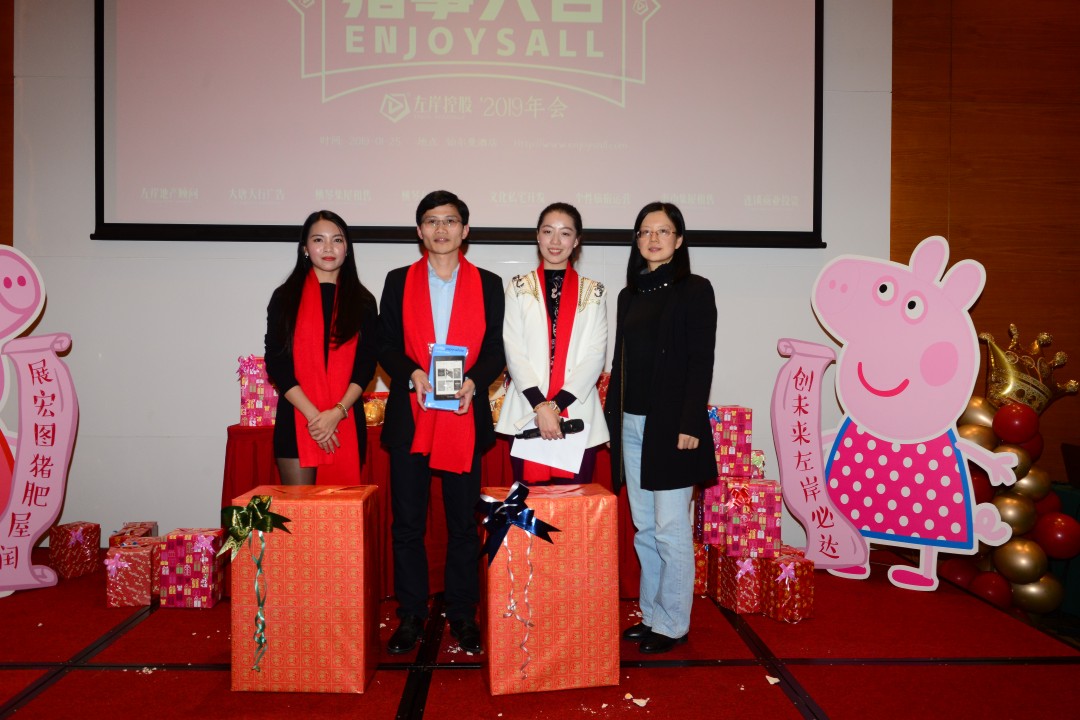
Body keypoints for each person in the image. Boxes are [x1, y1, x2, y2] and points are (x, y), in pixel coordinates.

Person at [378, 190, 505, 656]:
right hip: (412, 415)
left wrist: (474, 381)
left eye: (450, 221)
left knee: (463, 525)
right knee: (408, 523)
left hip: (463, 415)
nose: (441, 229)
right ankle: (411, 614)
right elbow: (385, 343)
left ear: (465, 230)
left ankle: (463, 614)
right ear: (419, 231)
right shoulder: (398, 280)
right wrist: (412, 373)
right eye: (432, 221)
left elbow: (497, 348)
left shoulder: (489, 284)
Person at [605, 202, 717, 654]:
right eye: (645, 231)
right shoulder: (628, 295)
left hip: (671, 428)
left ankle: (673, 623)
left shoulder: (695, 289)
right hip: (631, 424)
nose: (653, 239)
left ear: (679, 239)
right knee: (644, 527)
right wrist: (612, 421)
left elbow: (701, 361)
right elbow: (622, 364)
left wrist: (690, 422)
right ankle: (652, 614)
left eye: (663, 231)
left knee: (670, 528)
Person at [264, 210, 379, 485]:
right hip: (297, 417)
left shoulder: (363, 301)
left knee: (341, 511)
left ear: (347, 248)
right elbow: (277, 363)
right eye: (318, 240)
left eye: (337, 240)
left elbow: (365, 366)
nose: (328, 248)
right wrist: (316, 418)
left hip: (346, 418)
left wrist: (337, 413)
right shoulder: (285, 297)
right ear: (305, 248)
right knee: (301, 511)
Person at [496, 202, 609, 484]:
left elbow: (595, 355)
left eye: (565, 233)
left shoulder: (594, 292)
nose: (555, 241)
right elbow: (513, 350)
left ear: (577, 240)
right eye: (548, 231)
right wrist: (541, 407)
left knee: (574, 504)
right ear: (538, 236)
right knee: (529, 504)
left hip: (577, 412)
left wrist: (556, 406)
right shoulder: (518, 287)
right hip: (527, 409)